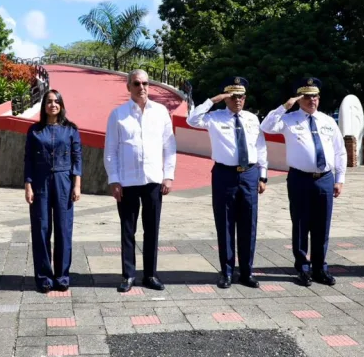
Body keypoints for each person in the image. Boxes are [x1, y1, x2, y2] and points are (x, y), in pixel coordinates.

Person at [261, 77, 346, 287]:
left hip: (325, 178)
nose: (312, 100)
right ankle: (303, 268)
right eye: (307, 97)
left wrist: (340, 179)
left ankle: (320, 268)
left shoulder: (327, 121)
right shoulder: (289, 120)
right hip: (300, 178)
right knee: (300, 224)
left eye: (315, 96)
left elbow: (340, 151)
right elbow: (266, 126)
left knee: (322, 225)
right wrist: (285, 106)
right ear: (299, 99)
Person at [187, 76, 268, 288]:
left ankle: (247, 272)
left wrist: (263, 175)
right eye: (233, 96)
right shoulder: (214, 117)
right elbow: (191, 119)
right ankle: (227, 272)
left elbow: (260, 147)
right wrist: (213, 100)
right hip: (225, 174)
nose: (237, 100)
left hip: (249, 174)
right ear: (226, 98)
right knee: (225, 224)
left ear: (245, 98)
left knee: (249, 224)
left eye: (240, 96)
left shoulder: (252, 118)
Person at [104, 69, 177, 293]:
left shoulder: (161, 112)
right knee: (128, 229)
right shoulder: (118, 114)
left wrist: (168, 175)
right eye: (136, 83)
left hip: (153, 179)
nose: (142, 87)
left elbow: (169, 146)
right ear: (129, 87)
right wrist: (114, 179)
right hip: (127, 181)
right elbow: (111, 150)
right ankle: (128, 275)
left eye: (145, 83)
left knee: (152, 229)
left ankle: (151, 275)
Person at [23, 89, 82, 293]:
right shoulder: (35, 131)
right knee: (41, 228)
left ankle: (62, 276)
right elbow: (28, 160)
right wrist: (28, 185)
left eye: (57, 101)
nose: (53, 105)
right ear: (44, 106)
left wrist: (77, 184)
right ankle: (44, 277)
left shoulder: (71, 129)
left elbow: (77, 158)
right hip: (40, 182)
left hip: (64, 181)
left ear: (61, 105)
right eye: (49, 101)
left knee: (64, 229)